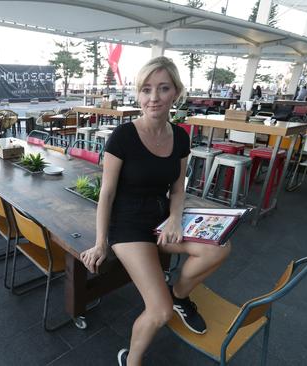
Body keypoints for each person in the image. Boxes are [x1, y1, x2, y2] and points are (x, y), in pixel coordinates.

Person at [80, 56, 231, 366]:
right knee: (159, 312)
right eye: (146, 89)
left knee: (220, 248)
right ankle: (131, 359)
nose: (154, 97)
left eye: (163, 88)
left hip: (162, 219)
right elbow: (106, 194)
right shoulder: (123, 136)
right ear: (138, 94)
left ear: (176, 92)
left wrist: (175, 217)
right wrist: (100, 242)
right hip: (128, 226)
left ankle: (179, 294)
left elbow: (178, 189)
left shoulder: (180, 137)